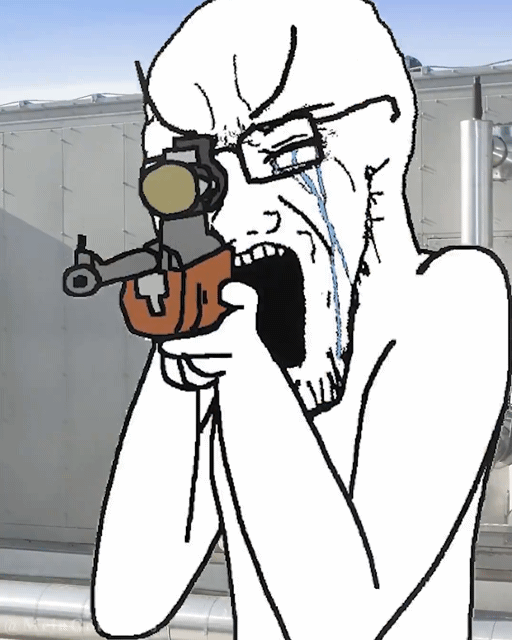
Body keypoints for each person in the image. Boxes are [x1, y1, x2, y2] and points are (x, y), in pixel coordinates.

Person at [91, 0, 511, 638]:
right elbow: (128, 603)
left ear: (381, 136)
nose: (233, 214)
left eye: (280, 151)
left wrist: (245, 375)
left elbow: (339, 620)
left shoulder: (454, 295)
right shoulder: (235, 334)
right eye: (189, 176)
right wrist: (178, 367)